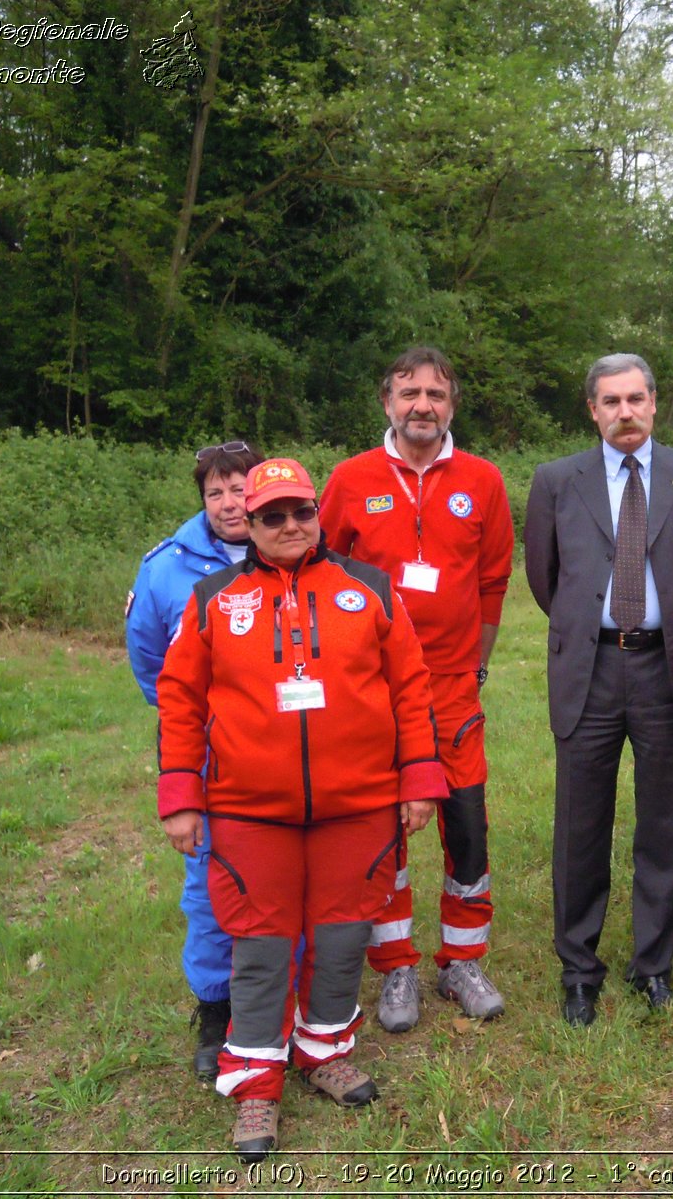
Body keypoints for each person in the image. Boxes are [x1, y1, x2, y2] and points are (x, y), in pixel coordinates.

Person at [155, 458, 448, 1160]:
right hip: (250, 810)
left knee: (344, 937)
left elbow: (410, 687)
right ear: (248, 524)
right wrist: (179, 797)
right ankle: (255, 1083)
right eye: (272, 515)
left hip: (359, 804)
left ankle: (324, 1050)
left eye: (301, 512)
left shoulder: (368, 587)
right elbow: (179, 700)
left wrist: (418, 781)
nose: (290, 526)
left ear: (318, 515)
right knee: (260, 946)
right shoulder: (213, 597)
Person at [525, 352, 673, 1026]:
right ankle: (579, 967)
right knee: (580, 824)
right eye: (610, 402)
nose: (625, 412)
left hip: (665, 667)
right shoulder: (557, 480)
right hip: (591, 667)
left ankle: (652, 965)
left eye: (635, 398)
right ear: (592, 410)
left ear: (654, 402)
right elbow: (545, 578)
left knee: (662, 823)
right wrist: (592, 625)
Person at [320, 347, 515, 1030]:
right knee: (384, 833)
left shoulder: (483, 481)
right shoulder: (351, 480)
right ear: (387, 401)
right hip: (373, 693)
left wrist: (475, 662)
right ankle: (395, 965)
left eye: (435, 393)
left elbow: (493, 583)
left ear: (452, 405)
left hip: (454, 689)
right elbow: (324, 576)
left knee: (466, 829)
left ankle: (461, 960)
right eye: (409, 393)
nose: (422, 405)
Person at [125, 439, 265, 1083]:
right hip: (209, 754)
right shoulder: (166, 568)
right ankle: (215, 1010)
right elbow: (153, 665)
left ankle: (283, 1003)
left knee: (283, 878)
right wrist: (208, 722)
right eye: (216, 492)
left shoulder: (291, 544)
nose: (230, 503)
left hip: (286, 750)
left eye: (240, 489)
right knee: (211, 885)